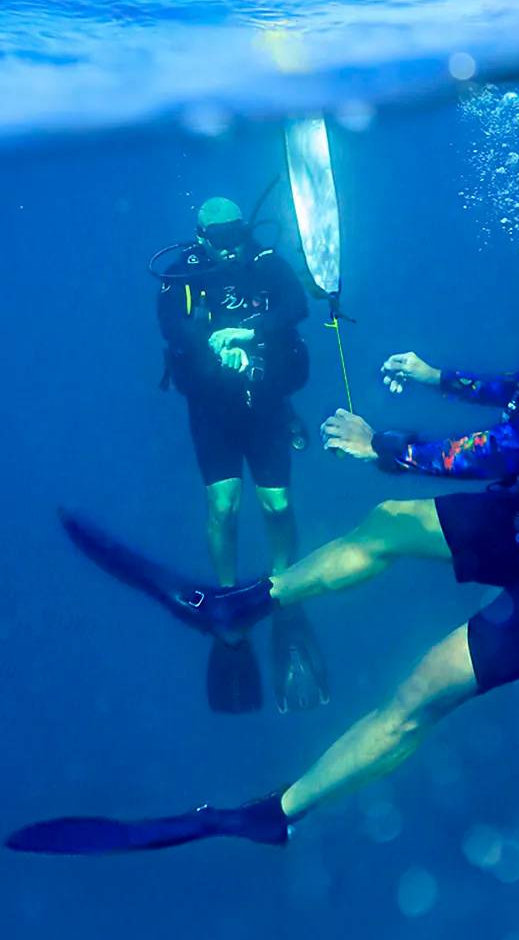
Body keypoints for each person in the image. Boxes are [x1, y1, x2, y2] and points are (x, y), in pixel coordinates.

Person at [10, 216, 519, 856]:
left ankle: (272, 815)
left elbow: (516, 446)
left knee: (420, 694)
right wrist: (436, 376)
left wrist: (386, 447)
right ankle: (238, 605)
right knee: (389, 526)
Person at [152, 195, 327, 715]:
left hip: (267, 404)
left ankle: (284, 593)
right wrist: (213, 341)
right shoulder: (179, 276)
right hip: (212, 412)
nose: (230, 245)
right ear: (201, 234)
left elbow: (295, 305)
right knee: (224, 508)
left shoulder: (266, 263)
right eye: (220, 236)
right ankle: (227, 600)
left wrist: (248, 331)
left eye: (237, 233)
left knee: (276, 506)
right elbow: (171, 326)